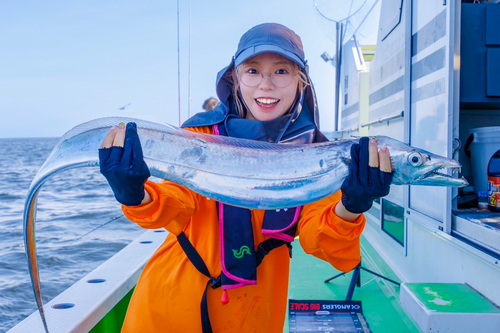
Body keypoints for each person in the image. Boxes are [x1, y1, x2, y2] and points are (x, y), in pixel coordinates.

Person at [99, 23, 392, 333]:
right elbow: (175, 203)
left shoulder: (317, 154)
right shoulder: (200, 136)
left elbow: (319, 240)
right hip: (168, 308)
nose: (266, 85)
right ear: (235, 78)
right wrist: (135, 194)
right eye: (252, 71)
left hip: (254, 317)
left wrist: (353, 204)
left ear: (301, 80)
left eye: (281, 71)